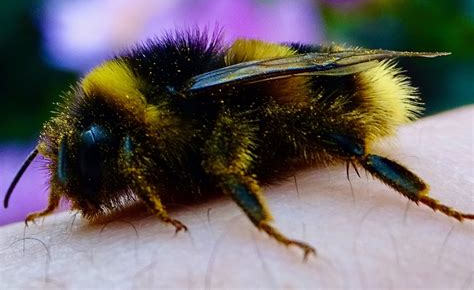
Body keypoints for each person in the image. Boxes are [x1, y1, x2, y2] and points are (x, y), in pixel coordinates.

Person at [1, 106, 472, 288]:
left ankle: (430, 201)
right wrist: (54, 204)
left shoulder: (152, 115)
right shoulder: (125, 118)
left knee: (324, 135)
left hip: (325, 94)